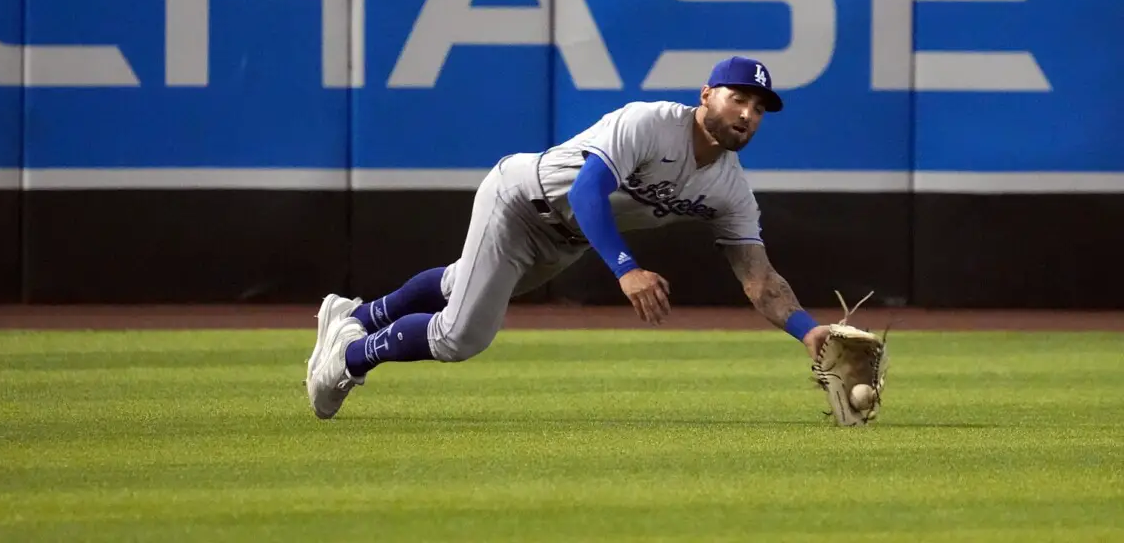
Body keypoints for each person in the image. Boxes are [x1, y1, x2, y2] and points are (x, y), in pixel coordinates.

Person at [304, 56, 831, 420]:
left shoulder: (731, 190)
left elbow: (759, 281)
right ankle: (349, 357)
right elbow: (586, 192)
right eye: (739, 98)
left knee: (464, 282)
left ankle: (355, 315)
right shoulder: (649, 123)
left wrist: (809, 332)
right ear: (707, 94)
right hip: (519, 198)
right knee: (461, 335)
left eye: (759, 109)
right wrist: (628, 269)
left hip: (564, 242)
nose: (747, 114)